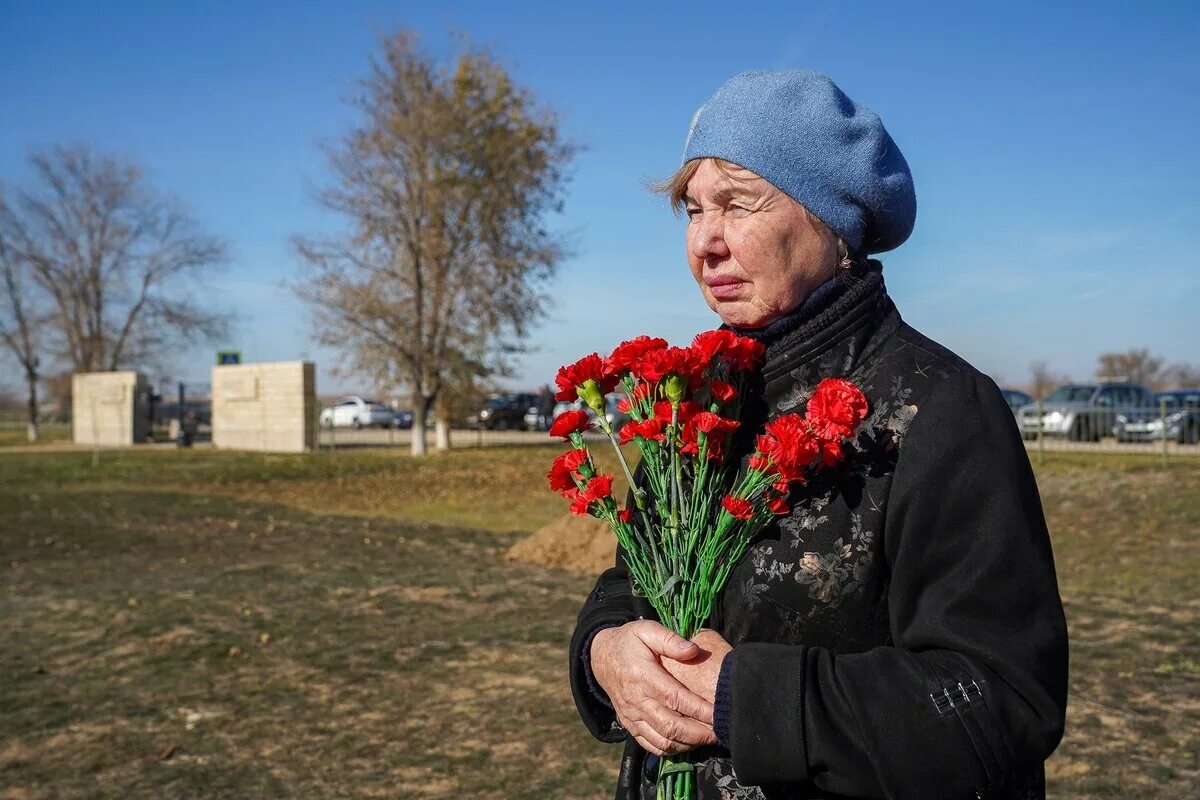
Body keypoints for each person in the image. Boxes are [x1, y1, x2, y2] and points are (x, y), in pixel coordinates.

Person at [568, 69, 1068, 799]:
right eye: (692, 209)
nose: (704, 242)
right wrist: (604, 653)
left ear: (831, 223)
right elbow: (630, 581)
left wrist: (746, 698)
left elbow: (1002, 700)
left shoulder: (941, 411)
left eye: (738, 204)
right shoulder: (701, 400)